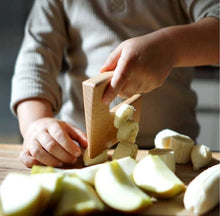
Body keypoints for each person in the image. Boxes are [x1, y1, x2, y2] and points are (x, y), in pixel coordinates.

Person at [10, 0, 219, 168]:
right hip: (82, 153)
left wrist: (171, 47)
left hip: (172, 154)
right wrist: (34, 124)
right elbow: (34, 61)